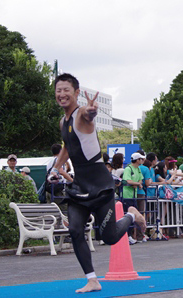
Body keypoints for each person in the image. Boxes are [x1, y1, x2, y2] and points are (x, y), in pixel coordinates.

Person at [49, 73, 145, 293]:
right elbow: (67, 147)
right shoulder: (63, 121)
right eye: (58, 90)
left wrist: (92, 111)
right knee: (74, 230)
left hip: (100, 184)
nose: (62, 94)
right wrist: (56, 169)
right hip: (80, 185)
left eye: (66, 90)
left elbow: (88, 113)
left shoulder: (81, 114)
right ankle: (92, 279)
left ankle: (132, 215)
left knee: (110, 237)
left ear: (75, 93)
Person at [122, 152, 145, 244]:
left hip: (134, 195)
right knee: (127, 216)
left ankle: (132, 236)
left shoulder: (138, 169)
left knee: (134, 217)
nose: (142, 160)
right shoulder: (128, 169)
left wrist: (138, 183)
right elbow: (127, 180)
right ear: (137, 160)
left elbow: (140, 179)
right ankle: (127, 236)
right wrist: (137, 184)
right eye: (141, 159)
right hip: (127, 195)